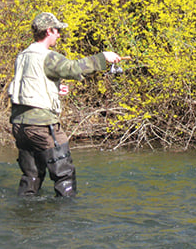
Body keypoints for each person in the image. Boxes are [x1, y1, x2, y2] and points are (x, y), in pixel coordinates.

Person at [8, 12, 122, 197]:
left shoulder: (23, 55)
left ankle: (25, 218)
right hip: (42, 126)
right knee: (64, 175)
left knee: (31, 176)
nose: (59, 34)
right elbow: (73, 68)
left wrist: (54, 88)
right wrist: (103, 58)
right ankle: (68, 219)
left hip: (19, 125)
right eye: (57, 30)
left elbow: (29, 83)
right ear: (48, 31)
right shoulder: (48, 56)